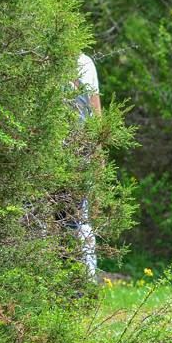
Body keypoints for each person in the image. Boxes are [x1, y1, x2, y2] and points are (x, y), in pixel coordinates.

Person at [72, 52, 102, 282]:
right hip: (57, 153)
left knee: (78, 218)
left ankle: (86, 280)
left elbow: (94, 110)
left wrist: (98, 150)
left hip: (78, 154)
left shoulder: (83, 62)